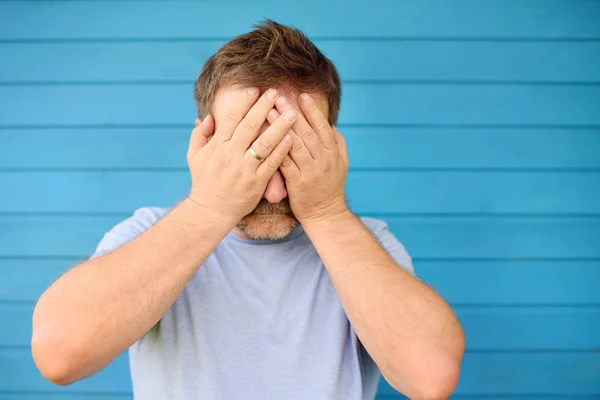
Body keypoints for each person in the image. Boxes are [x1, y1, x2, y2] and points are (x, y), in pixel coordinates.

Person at [31, 20, 465, 400]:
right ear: (203, 143)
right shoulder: (148, 234)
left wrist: (328, 213)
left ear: (330, 151)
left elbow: (432, 379)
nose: (273, 191)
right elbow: (58, 355)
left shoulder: (366, 245)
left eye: (293, 156)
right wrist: (211, 205)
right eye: (249, 150)